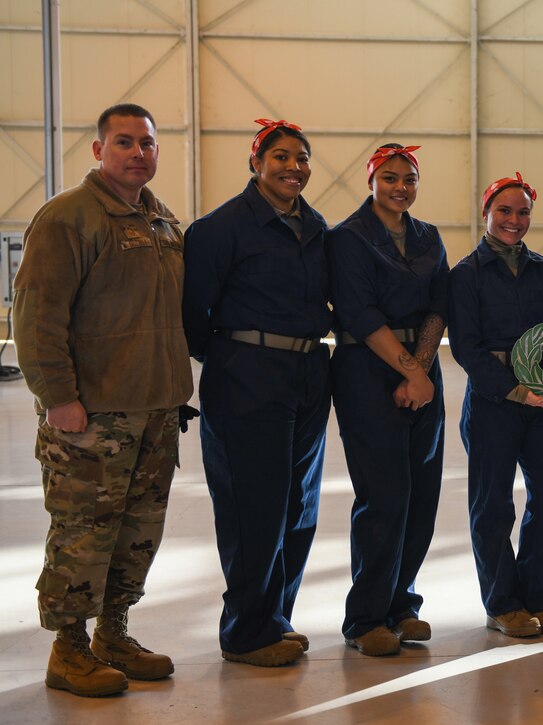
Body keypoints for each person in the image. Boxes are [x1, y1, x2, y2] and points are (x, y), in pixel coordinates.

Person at [12, 103, 192, 696]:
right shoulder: (68, 217)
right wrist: (58, 397)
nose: (138, 153)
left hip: (155, 409)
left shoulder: (162, 221)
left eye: (147, 143)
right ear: (98, 150)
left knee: (137, 532)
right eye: (124, 142)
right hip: (92, 415)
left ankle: (112, 635)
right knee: (83, 532)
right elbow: (37, 317)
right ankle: (67, 651)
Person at [182, 118, 332, 667]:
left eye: (302, 157)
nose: (294, 166)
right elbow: (192, 315)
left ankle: (275, 620)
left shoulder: (315, 227)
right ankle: (246, 633)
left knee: (298, 506)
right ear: (256, 163)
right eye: (281, 157)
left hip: (307, 372)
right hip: (247, 375)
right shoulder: (220, 228)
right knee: (254, 508)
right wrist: (234, 358)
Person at [327, 144, 448, 657]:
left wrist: (420, 370)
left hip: (421, 367)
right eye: (391, 177)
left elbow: (440, 304)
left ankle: (402, 605)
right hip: (366, 369)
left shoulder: (428, 237)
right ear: (371, 180)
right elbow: (358, 312)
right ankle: (366, 617)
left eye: (410, 178)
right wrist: (409, 372)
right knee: (385, 495)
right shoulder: (348, 237)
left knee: (421, 494)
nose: (401, 187)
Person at [448, 173, 543, 638]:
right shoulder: (466, 275)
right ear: (487, 213)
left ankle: (539, 598)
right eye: (504, 210)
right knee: (493, 503)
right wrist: (517, 390)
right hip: (494, 402)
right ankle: (502, 603)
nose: (513, 220)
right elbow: (467, 348)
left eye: (522, 212)